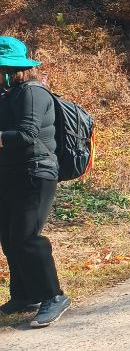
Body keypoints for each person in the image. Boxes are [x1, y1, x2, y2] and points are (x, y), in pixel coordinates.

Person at [0, 36, 72, 328]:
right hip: (9, 174)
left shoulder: (34, 92)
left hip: (36, 172)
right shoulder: (7, 94)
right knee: (9, 236)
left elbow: (27, 134)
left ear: (10, 69)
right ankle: (24, 295)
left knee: (26, 236)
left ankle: (54, 296)